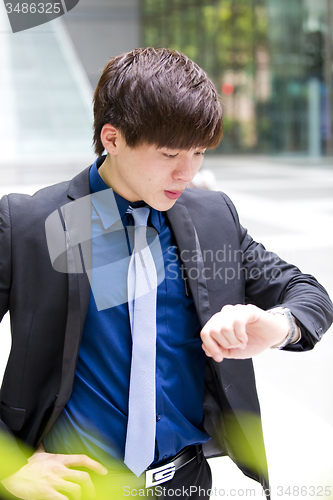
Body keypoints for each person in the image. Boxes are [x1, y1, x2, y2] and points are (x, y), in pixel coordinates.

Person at [0, 47, 332, 500]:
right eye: (169, 152)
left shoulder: (210, 216)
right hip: (72, 488)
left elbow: (308, 293)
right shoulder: (33, 222)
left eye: (198, 151)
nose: (187, 171)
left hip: (184, 484)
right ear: (112, 139)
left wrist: (275, 326)